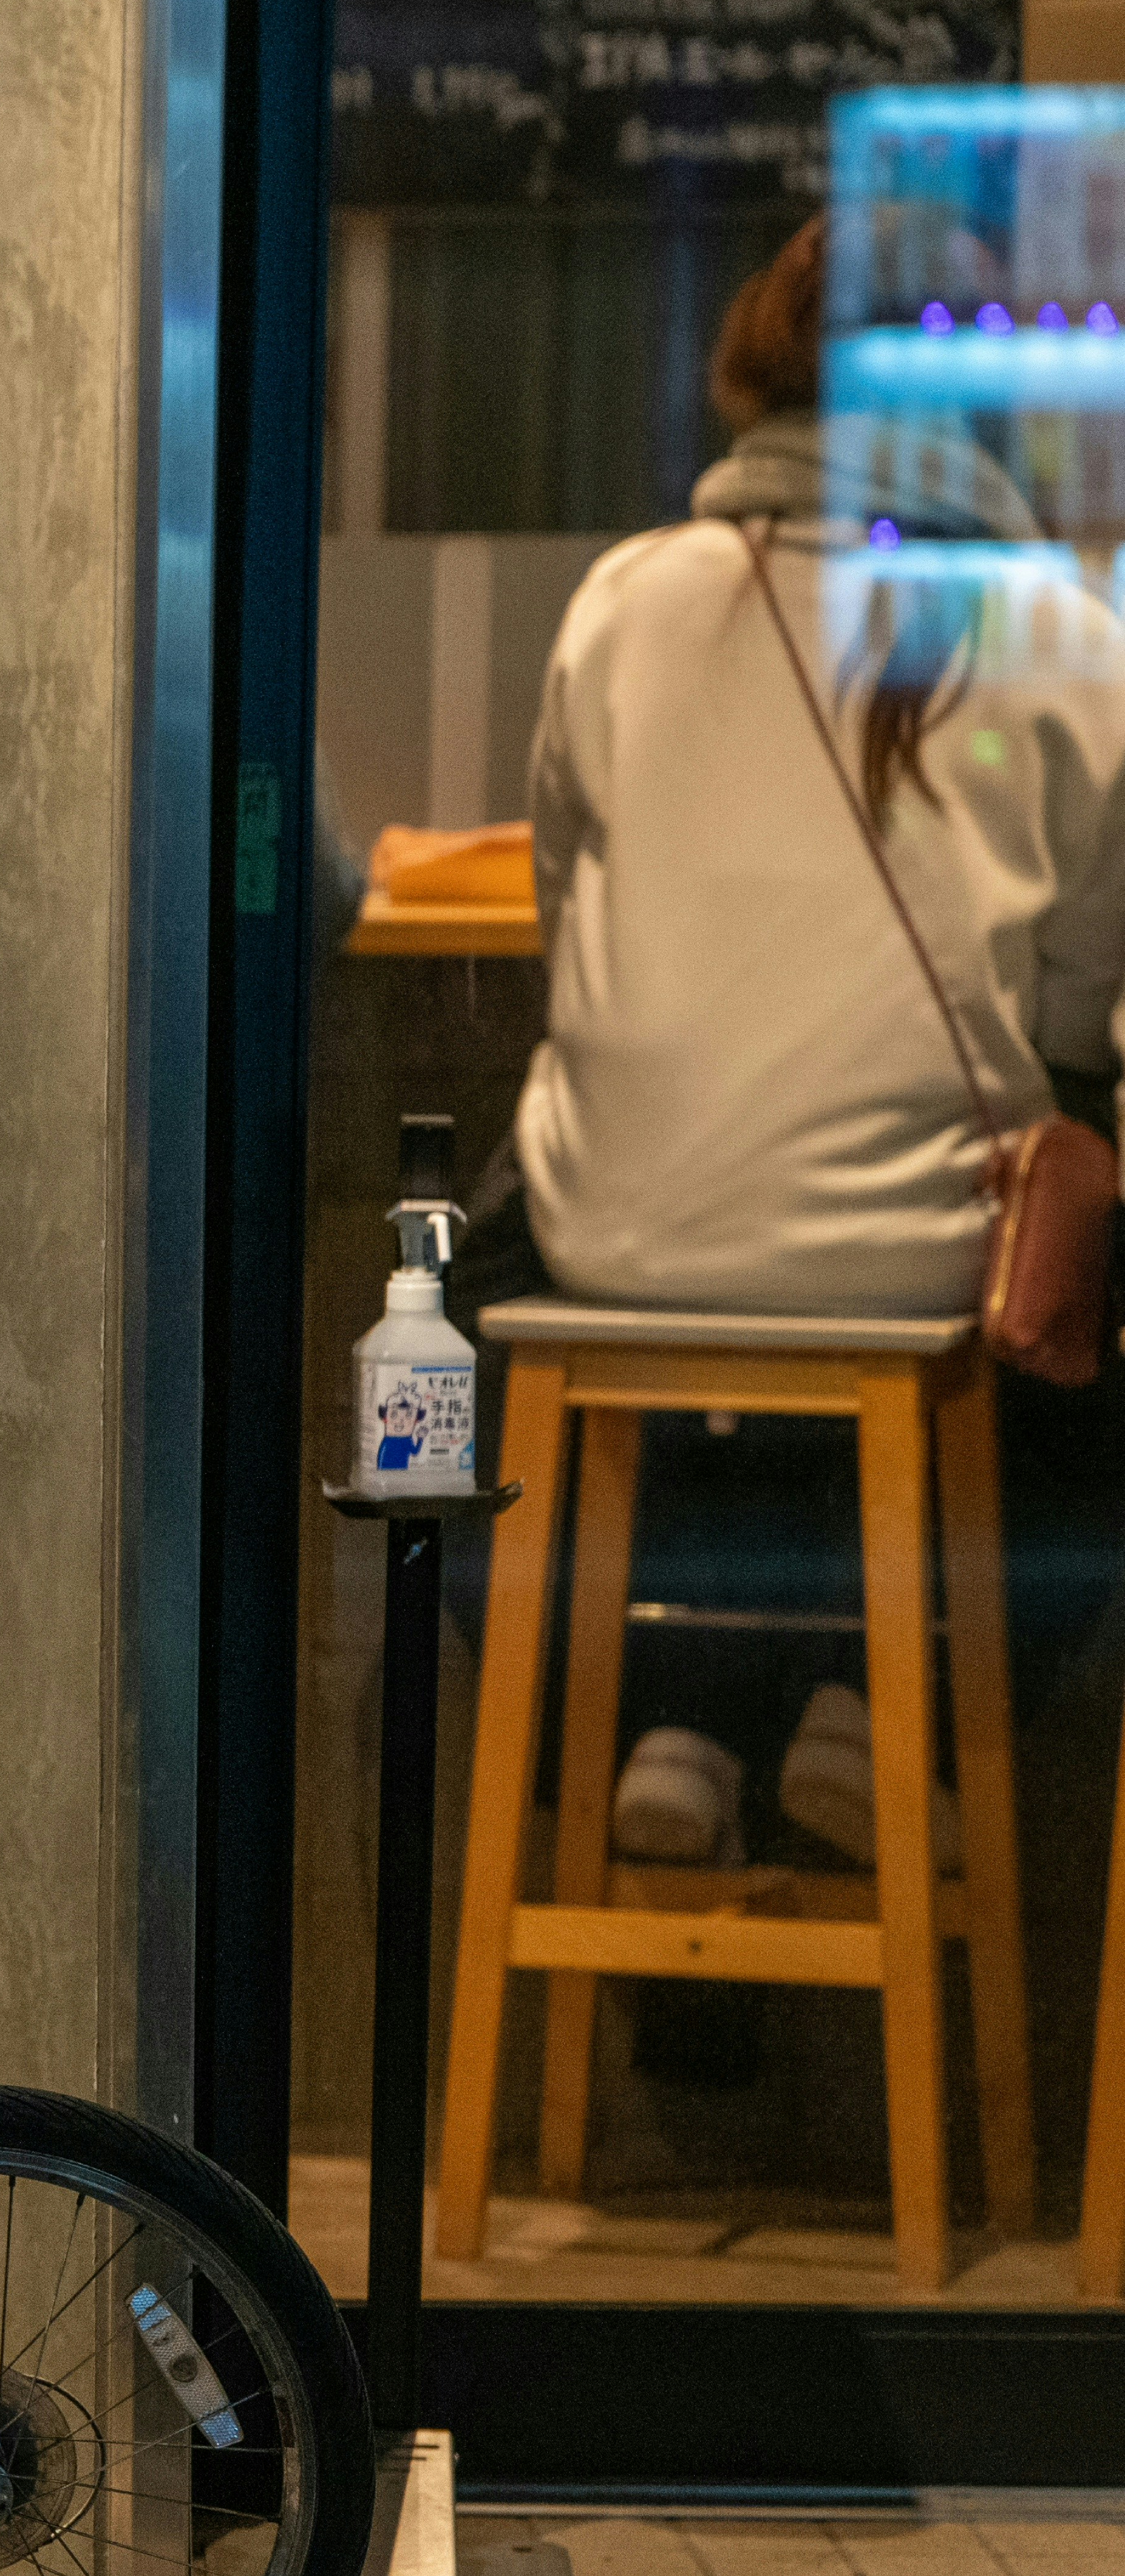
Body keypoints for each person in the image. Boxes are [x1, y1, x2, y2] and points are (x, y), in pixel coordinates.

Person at [498, 215, 1125, 1892]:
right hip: (908, 1261)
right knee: (986, 1288)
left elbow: (565, 931)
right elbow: (1075, 1022)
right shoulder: (1062, 635)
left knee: (710, 1277)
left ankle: (681, 1718)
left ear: (758, 373)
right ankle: (862, 1695)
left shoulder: (621, 602)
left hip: (609, 1243)